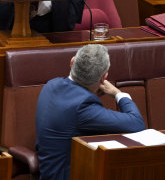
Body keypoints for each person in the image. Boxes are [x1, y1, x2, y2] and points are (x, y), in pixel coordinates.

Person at [35, 44, 145, 180]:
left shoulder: (51, 85)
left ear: (72, 62)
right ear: (104, 77)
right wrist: (118, 94)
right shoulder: (83, 107)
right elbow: (136, 123)